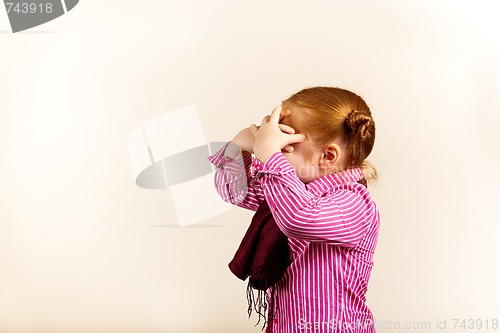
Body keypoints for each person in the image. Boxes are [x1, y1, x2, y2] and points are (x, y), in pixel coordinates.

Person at [208, 86, 380, 333]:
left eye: (283, 146)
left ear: (328, 156)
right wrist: (238, 148)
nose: (271, 151)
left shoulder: (354, 203)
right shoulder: (288, 189)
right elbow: (233, 191)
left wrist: (268, 154)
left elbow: (298, 218)